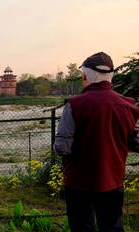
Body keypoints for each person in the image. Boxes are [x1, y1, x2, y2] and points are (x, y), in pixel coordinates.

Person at [54, 52, 139, 232]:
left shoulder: (75, 105)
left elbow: (62, 147)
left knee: (82, 227)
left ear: (86, 76)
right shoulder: (129, 106)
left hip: (79, 183)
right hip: (113, 180)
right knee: (112, 227)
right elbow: (135, 143)